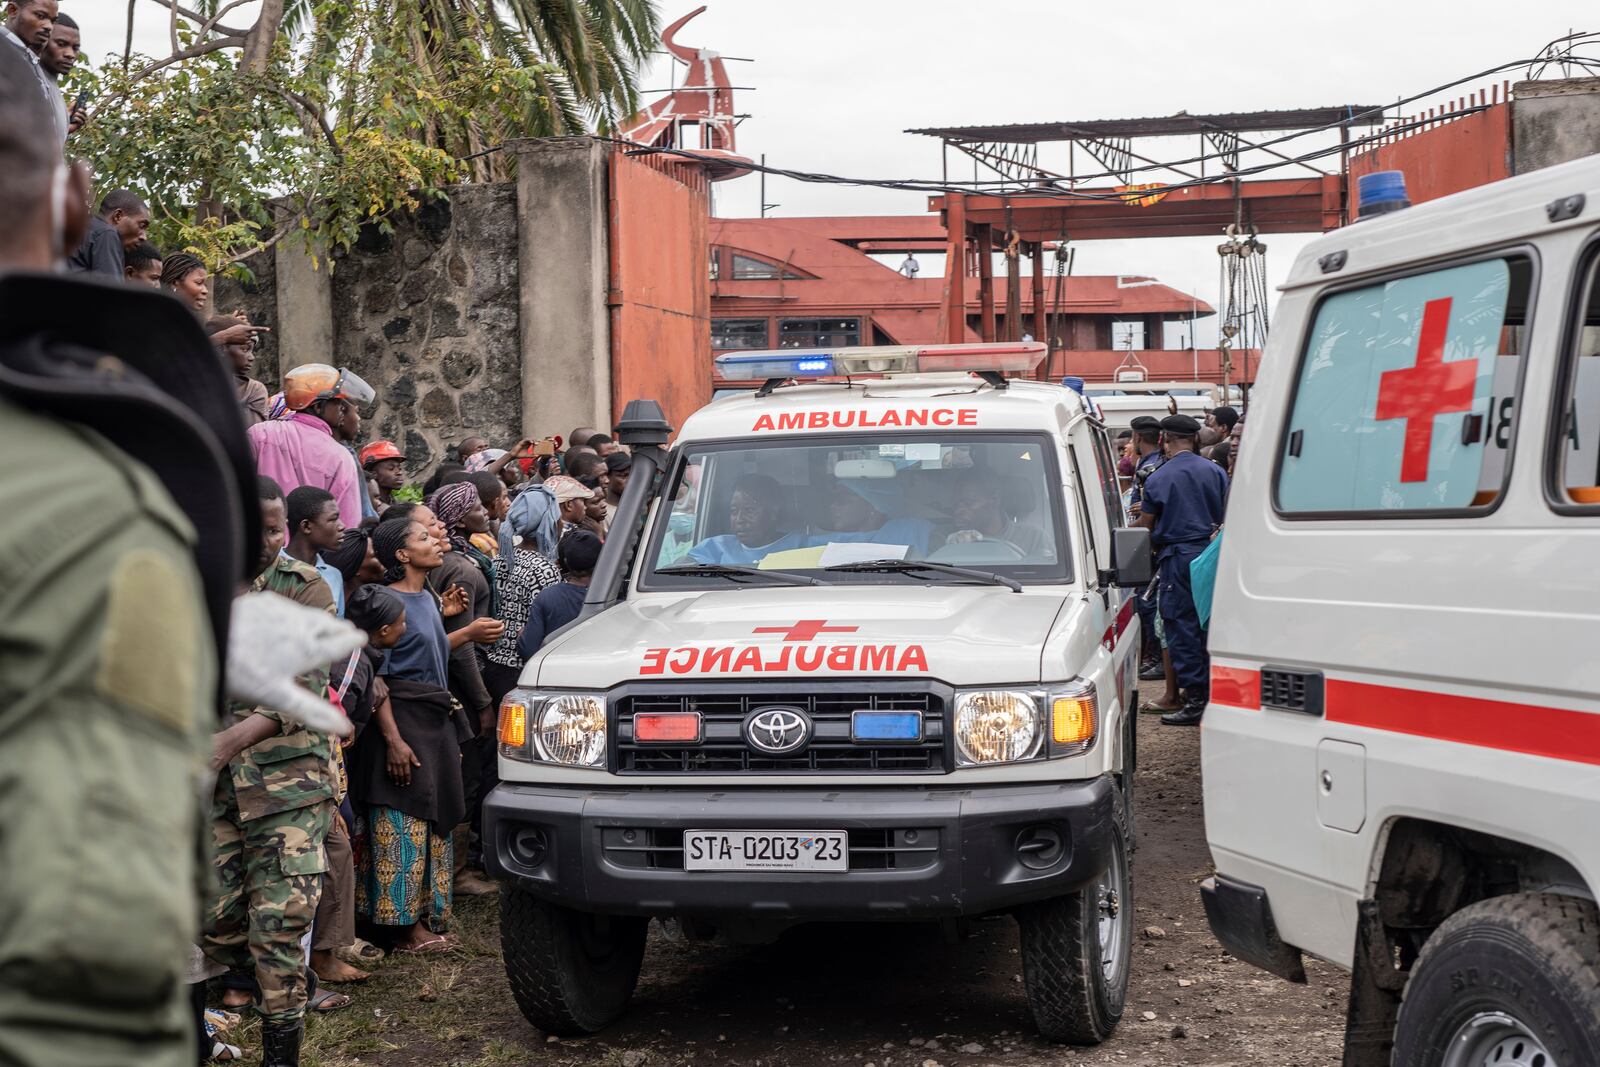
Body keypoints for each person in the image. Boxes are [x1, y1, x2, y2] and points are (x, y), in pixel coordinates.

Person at [203, 477, 339, 1064]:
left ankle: (279, 1050)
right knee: (209, 917)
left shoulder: (303, 588)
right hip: (214, 795)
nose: (268, 540)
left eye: (277, 527)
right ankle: (281, 979)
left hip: (290, 789)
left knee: (278, 928)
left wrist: (223, 744)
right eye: (255, 527)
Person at [352, 518, 480, 952]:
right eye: (423, 537)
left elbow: (429, 648)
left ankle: (425, 913)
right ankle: (400, 927)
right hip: (403, 721)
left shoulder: (425, 595)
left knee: (434, 814)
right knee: (403, 816)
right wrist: (393, 740)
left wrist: (445, 618)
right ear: (402, 555)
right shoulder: (385, 603)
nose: (436, 540)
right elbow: (378, 680)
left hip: (433, 718)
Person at [1135, 414, 1228, 727]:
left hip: (1178, 558)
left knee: (1181, 626)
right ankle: (1216, 694)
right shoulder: (1216, 471)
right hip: (1213, 553)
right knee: (1210, 623)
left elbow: (1144, 528)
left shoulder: (1158, 478)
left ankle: (1196, 699)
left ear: (1164, 439)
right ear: (1195, 439)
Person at [249, 363, 373, 528]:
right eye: (337, 403)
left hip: (258, 547)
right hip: (312, 553)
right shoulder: (341, 458)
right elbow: (347, 530)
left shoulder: (259, 433)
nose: (342, 410)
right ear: (318, 407)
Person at [516, 530, 602, 661]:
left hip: (555, 675)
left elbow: (528, 651)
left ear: (566, 562)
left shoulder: (547, 597)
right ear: (601, 560)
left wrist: (521, 637)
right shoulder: (611, 597)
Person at [687, 473, 806, 566]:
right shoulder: (714, 548)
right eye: (734, 511)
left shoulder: (804, 546)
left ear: (773, 512)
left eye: (749, 510)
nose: (739, 519)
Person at [1, 0, 65, 141]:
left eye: (52, 21)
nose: (48, 26)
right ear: (13, 10)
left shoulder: (26, 57)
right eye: (40, 16)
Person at [825, 476, 934, 556]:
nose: (832, 506)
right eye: (833, 500)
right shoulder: (819, 544)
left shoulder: (913, 532)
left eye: (842, 501)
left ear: (874, 507)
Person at [945, 473, 1043, 557]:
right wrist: (953, 547)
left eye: (969, 502)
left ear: (994, 500)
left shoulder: (1034, 537)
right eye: (955, 503)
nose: (958, 511)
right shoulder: (943, 537)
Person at [285, 485, 348, 614]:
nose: (342, 526)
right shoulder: (270, 569)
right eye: (333, 519)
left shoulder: (334, 576)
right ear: (306, 526)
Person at [66, 189, 149, 278]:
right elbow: (110, 289)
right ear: (118, 216)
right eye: (142, 225)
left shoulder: (82, 228)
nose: (144, 237)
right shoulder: (106, 234)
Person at [210, 313, 271, 424]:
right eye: (244, 349)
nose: (252, 358)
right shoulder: (253, 389)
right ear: (220, 349)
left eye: (251, 351)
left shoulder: (251, 390)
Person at [37, 10, 81, 133]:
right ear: (42, 40)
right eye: (61, 44)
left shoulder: (52, 87)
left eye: (75, 48)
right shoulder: (28, 82)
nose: (70, 54)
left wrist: (64, 127)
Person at [360, 440, 408, 513]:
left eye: (399, 468)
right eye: (391, 468)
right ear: (373, 474)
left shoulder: (391, 501)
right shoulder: (366, 507)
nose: (399, 473)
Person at [603, 450, 631, 525]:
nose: (629, 480)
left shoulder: (637, 506)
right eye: (623, 476)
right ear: (607, 477)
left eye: (631, 475)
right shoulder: (602, 513)